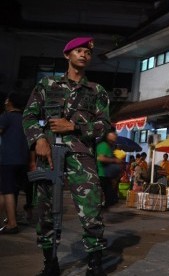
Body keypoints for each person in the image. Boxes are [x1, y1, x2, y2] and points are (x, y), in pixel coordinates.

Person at [22, 36, 111, 275]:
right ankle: (50, 262)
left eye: (87, 52)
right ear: (67, 55)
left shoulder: (96, 91)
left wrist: (75, 127)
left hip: (81, 157)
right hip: (48, 154)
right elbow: (29, 116)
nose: (84, 54)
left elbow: (104, 125)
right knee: (45, 210)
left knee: (91, 211)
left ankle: (95, 262)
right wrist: (38, 139)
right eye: (78, 50)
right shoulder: (46, 85)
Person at [0, 92, 29, 234]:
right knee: (6, 190)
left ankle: (12, 224)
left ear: (10, 102)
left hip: (7, 160)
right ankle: (9, 219)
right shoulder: (26, 118)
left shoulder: (6, 117)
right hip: (23, 160)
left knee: (8, 191)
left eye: (7, 99)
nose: (5, 102)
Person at [96, 130, 123, 207]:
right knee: (110, 197)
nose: (115, 136)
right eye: (113, 134)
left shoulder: (107, 145)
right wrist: (115, 160)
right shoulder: (104, 145)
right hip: (102, 174)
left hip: (104, 174)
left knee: (109, 197)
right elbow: (100, 158)